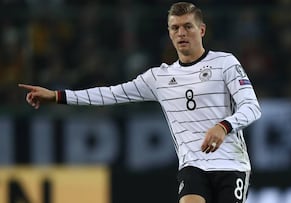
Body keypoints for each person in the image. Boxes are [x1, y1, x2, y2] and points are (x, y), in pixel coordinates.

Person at [19, 2, 261, 203]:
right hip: (193, 165)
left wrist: (224, 126)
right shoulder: (159, 77)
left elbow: (252, 108)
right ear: (169, 32)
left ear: (202, 30)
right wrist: (57, 96)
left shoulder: (225, 63)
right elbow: (110, 94)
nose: (181, 33)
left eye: (188, 26)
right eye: (175, 28)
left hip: (231, 163)